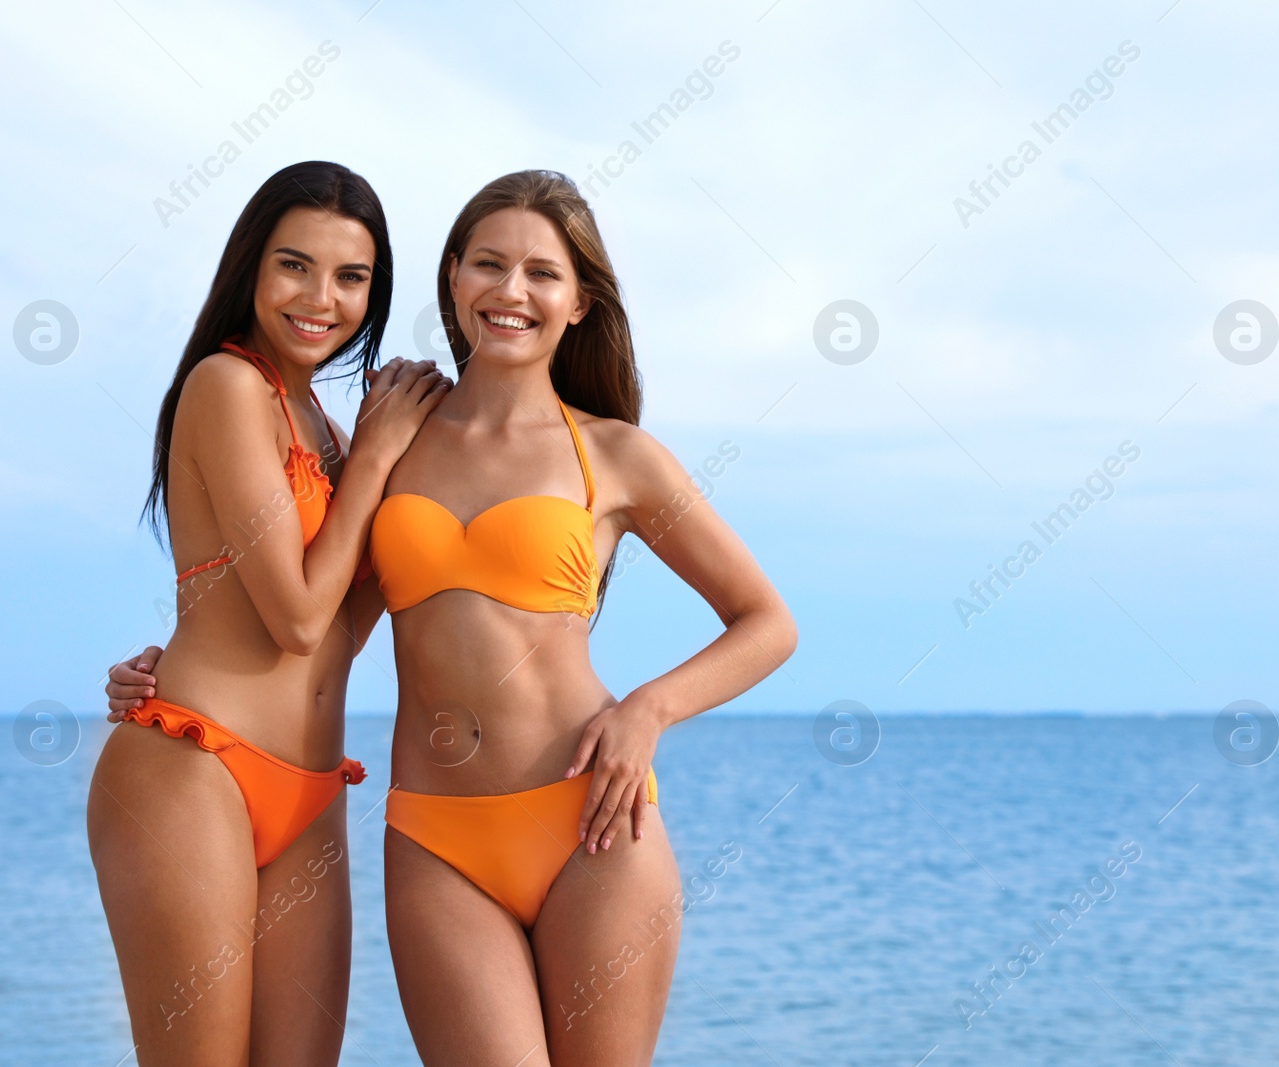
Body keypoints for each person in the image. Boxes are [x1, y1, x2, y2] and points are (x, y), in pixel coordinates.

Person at [107, 169, 797, 1066]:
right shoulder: (389, 441)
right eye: (489, 264)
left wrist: (649, 710)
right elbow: (312, 612)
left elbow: (765, 621)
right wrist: (182, 664)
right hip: (435, 838)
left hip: (590, 814)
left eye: (543, 274)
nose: (512, 291)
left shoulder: (615, 455)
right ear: (452, 279)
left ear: (581, 301)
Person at [87, 160, 450, 1067]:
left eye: (351, 276)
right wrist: (374, 460)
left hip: (312, 790)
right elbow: (293, 619)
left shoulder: (326, 423)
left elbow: (342, 627)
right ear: (250, 266)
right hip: (192, 767)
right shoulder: (226, 386)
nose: (320, 297)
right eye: (295, 265)